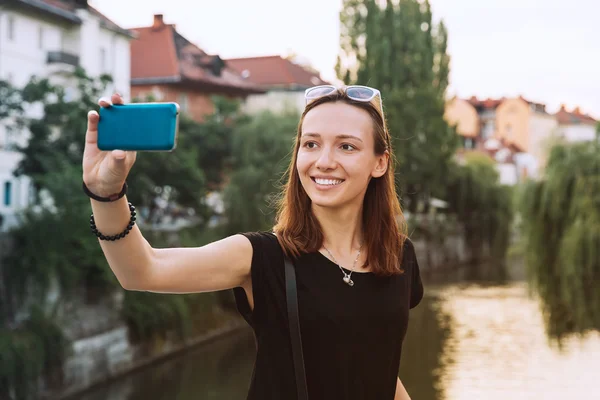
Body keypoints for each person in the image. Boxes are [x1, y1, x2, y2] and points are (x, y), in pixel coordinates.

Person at [82, 85, 424, 400]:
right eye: (311, 144)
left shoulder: (398, 255)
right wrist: (106, 193)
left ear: (379, 163)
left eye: (346, 146)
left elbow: (379, 368)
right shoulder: (263, 257)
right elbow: (142, 271)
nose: (323, 161)